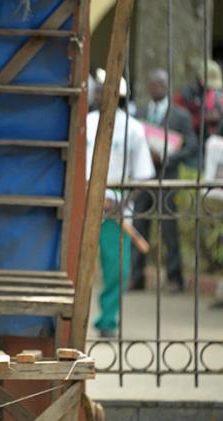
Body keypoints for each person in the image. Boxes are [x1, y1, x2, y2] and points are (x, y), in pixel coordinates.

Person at [86, 69, 156, 338]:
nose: (101, 95)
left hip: (117, 208)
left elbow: (142, 176)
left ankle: (107, 320)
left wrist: (121, 203)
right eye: (100, 90)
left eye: (107, 90)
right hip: (85, 202)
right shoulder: (86, 123)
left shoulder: (134, 128)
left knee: (117, 268)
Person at [130, 69, 198, 292]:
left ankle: (174, 277)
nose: (156, 87)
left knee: (169, 228)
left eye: (160, 84)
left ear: (166, 86)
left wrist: (168, 157)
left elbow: (191, 145)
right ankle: (136, 276)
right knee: (139, 225)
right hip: (144, 178)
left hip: (167, 177)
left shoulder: (180, 115)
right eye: (153, 84)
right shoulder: (140, 113)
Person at [174, 59, 223, 142]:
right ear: (199, 79)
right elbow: (178, 121)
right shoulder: (184, 95)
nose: (210, 87)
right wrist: (202, 119)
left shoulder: (215, 95)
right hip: (190, 140)